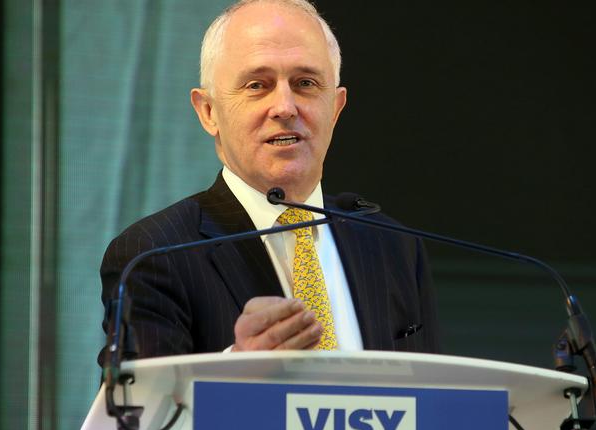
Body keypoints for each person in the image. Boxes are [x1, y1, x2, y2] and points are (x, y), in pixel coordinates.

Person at [99, 0, 439, 363]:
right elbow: (139, 409)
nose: (285, 107)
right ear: (208, 112)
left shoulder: (393, 247)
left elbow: (434, 400)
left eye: (305, 83)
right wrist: (237, 366)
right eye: (257, 85)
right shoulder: (154, 254)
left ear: (336, 108)